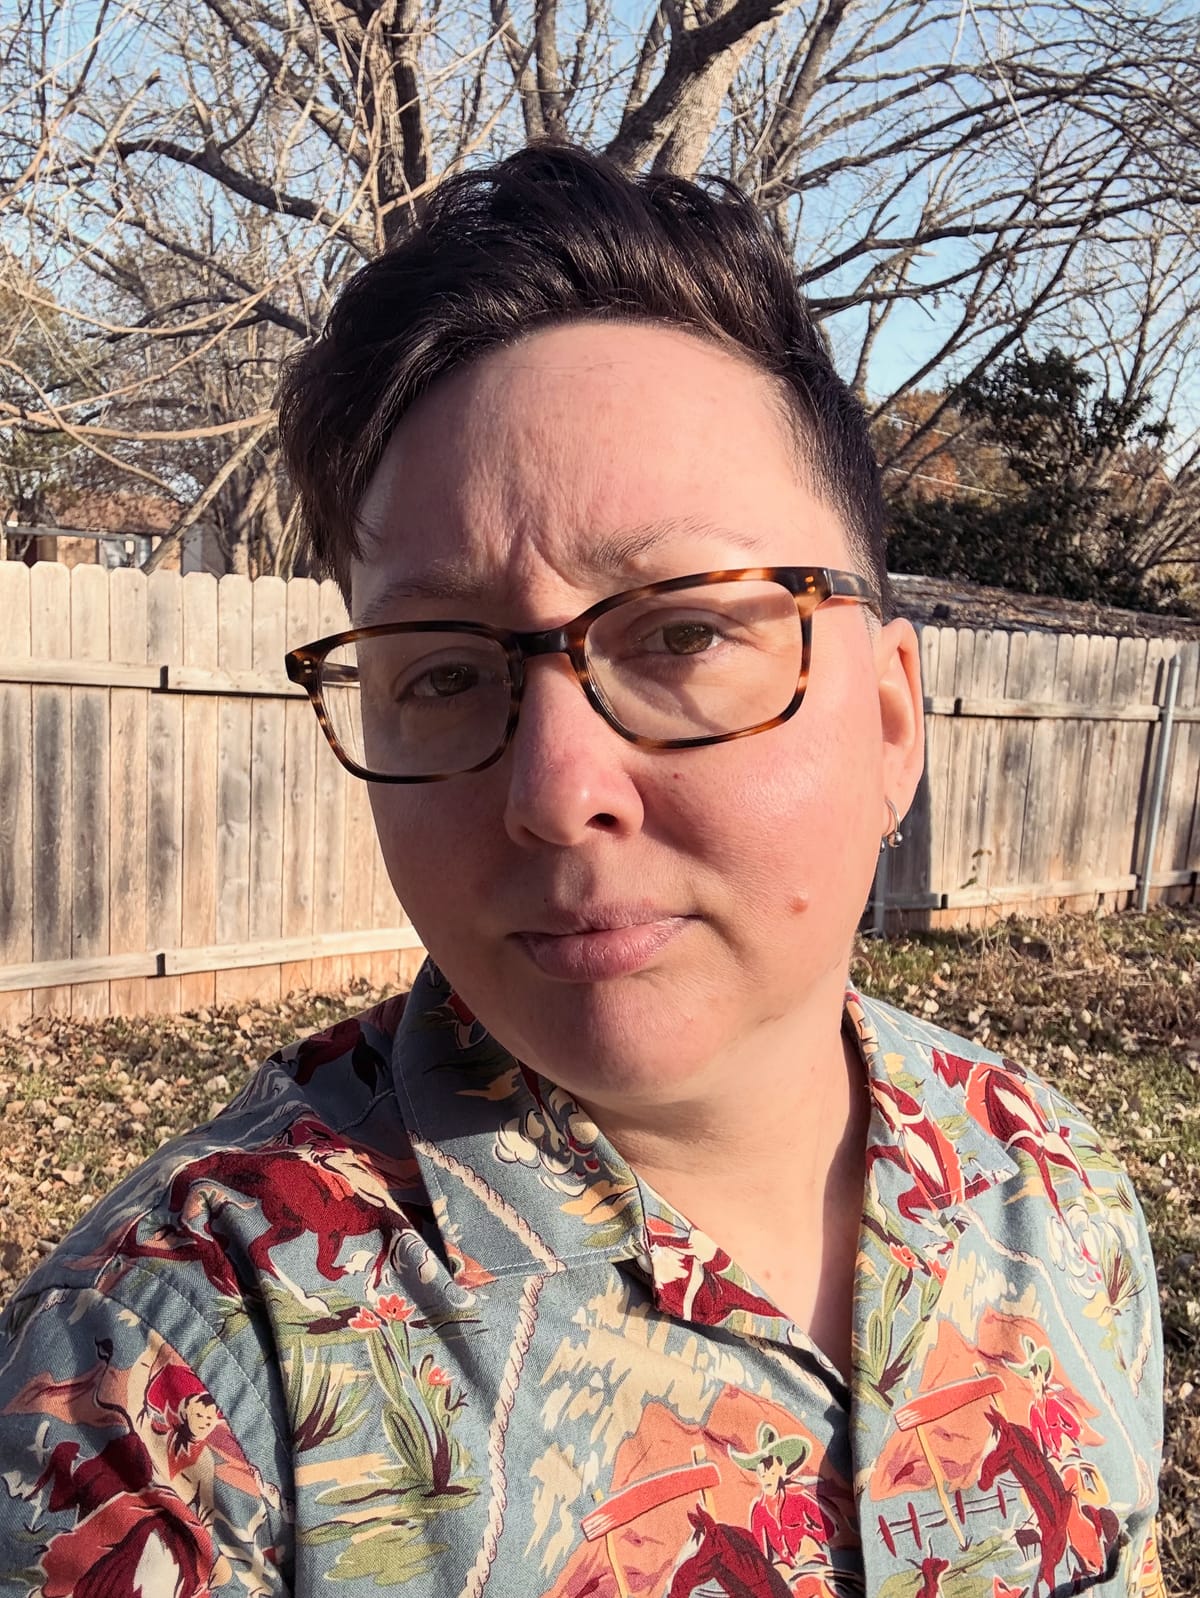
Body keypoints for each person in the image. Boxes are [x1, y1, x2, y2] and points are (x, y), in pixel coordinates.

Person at [0, 146, 1163, 1598]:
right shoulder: (157, 1401)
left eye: (682, 634)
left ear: (888, 720)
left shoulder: (1058, 1195)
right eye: (443, 671)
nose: (553, 794)